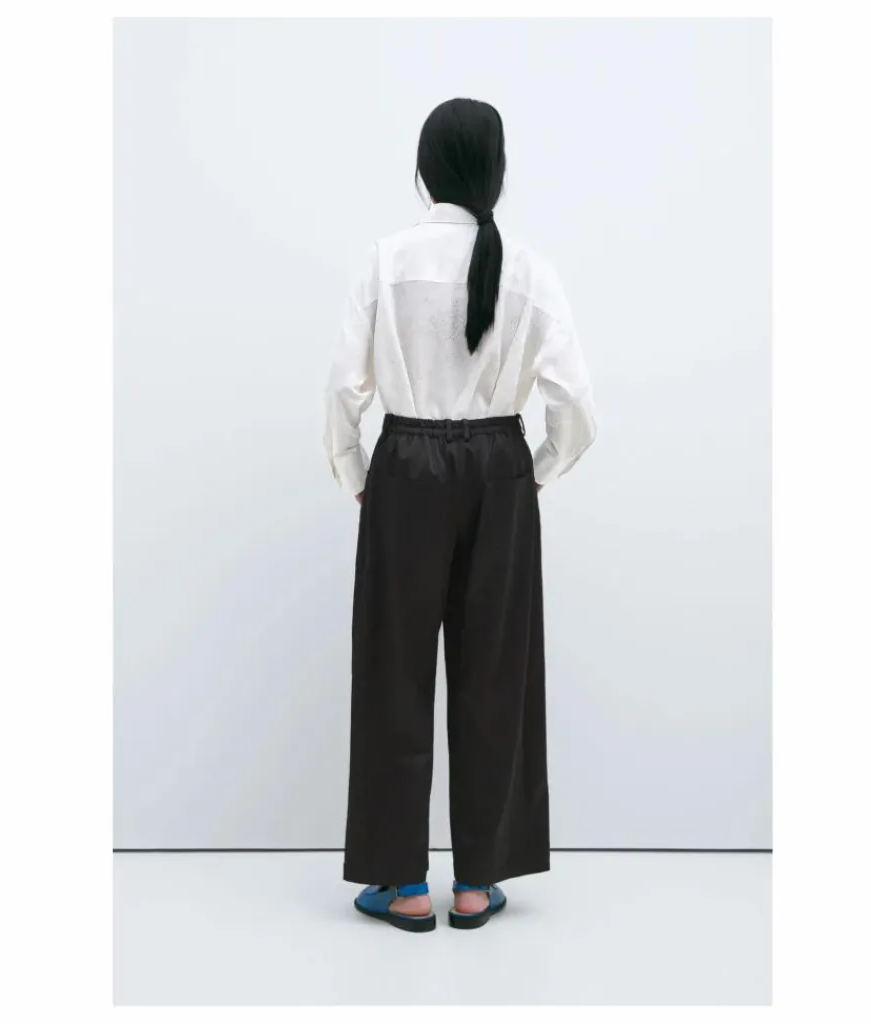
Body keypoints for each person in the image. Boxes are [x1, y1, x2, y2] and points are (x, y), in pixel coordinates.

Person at [323, 97, 597, 932]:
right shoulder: (531, 270)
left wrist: (358, 475)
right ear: (497, 172)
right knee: (496, 675)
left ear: (425, 170)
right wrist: (531, 476)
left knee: (394, 673)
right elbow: (577, 409)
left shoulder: (387, 260)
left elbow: (345, 389)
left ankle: (403, 885)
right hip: (498, 468)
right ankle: (478, 881)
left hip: (406, 466)